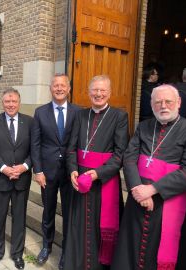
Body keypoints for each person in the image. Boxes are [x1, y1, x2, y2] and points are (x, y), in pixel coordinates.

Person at [112, 84, 186, 270]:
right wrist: (137, 189)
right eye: (158, 102)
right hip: (138, 198)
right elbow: (129, 159)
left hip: (170, 200)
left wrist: (152, 190)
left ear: (178, 103)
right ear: (152, 105)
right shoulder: (144, 126)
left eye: (168, 101)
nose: (163, 106)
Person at [64, 75, 129, 269]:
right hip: (80, 180)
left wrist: (97, 174)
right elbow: (70, 148)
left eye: (103, 90)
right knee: (79, 226)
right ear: (89, 92)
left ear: (109, 93)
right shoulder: (80, 115)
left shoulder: (119, 116)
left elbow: (120, 154)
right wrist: (73, 170)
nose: (98, 94)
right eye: (95, 90)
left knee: (101, 226)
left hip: (103, 181)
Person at [30, 73, 80, 269]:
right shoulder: (40, 112)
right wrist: (38, 170)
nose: (59, 89)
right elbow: (35, 144)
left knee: (69, 213)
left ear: (69, 89)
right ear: (50, 89)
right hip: (47, 172)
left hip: (70, 173)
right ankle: (46, 246)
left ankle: (67, 252)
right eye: (55, 86)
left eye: (63, 85)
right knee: (48, 211)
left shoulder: (78, 112)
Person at [0, 89, 33, 269]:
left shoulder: (30, 122)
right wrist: (4, 169)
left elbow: (34, 149)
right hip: (0, 179)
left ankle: (17, 254)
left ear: (19, 102)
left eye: (14, 101)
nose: (11, 104)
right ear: (2, 102)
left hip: (22, 179)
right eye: (7, 101)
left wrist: (24, 167)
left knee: (19, 218)